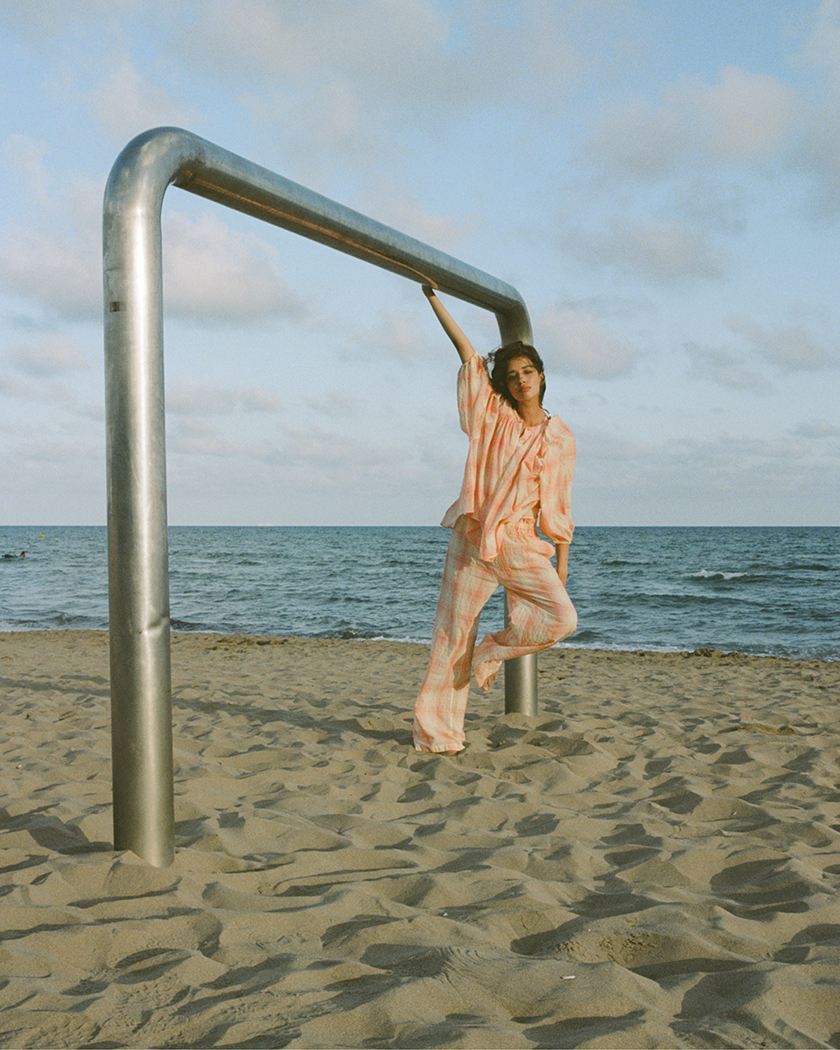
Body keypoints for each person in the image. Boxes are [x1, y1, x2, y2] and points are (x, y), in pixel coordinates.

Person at [413, 285, 577, 754]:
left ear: (542, 377)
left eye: (529, 372)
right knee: (450, 636)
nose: (522, 380)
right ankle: (438, 734)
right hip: (474, 536)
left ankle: (491, 652)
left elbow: (559, 509)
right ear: (504, 384)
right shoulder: (493, 417)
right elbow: (468, 355)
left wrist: (562, 566)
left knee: (562, 618)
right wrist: (433, 300)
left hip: (521, 543)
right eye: (512, 375)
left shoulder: (559, 438)